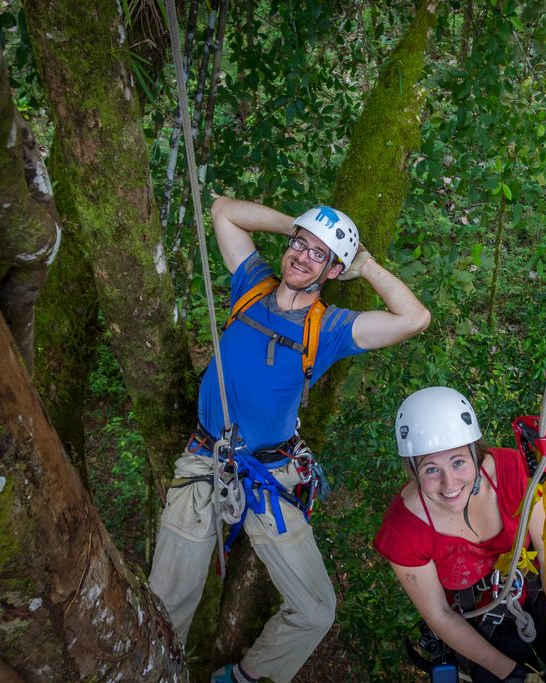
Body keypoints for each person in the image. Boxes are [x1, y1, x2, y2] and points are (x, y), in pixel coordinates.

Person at [148, 196, 430, 683]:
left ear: (333, 270)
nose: (301, 256)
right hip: (203, 464)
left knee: (316, 608)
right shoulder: (251, 285)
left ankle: (242, 678)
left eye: (318, 254)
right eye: (299, 245)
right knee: (167, 605)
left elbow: (414, 319)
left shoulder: (332, 328)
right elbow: (224, 212)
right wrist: (300, 227)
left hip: (269, 477)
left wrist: (365, 265)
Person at [374, 387, 546, 683]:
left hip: (539, 599)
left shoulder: (514, 471)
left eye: (458, 462)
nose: (449, 483)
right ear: (413, 470)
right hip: (476, 629)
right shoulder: (403, 529)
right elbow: (439, 614)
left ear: (474, 453)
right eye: (431, 469)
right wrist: (512, 674)